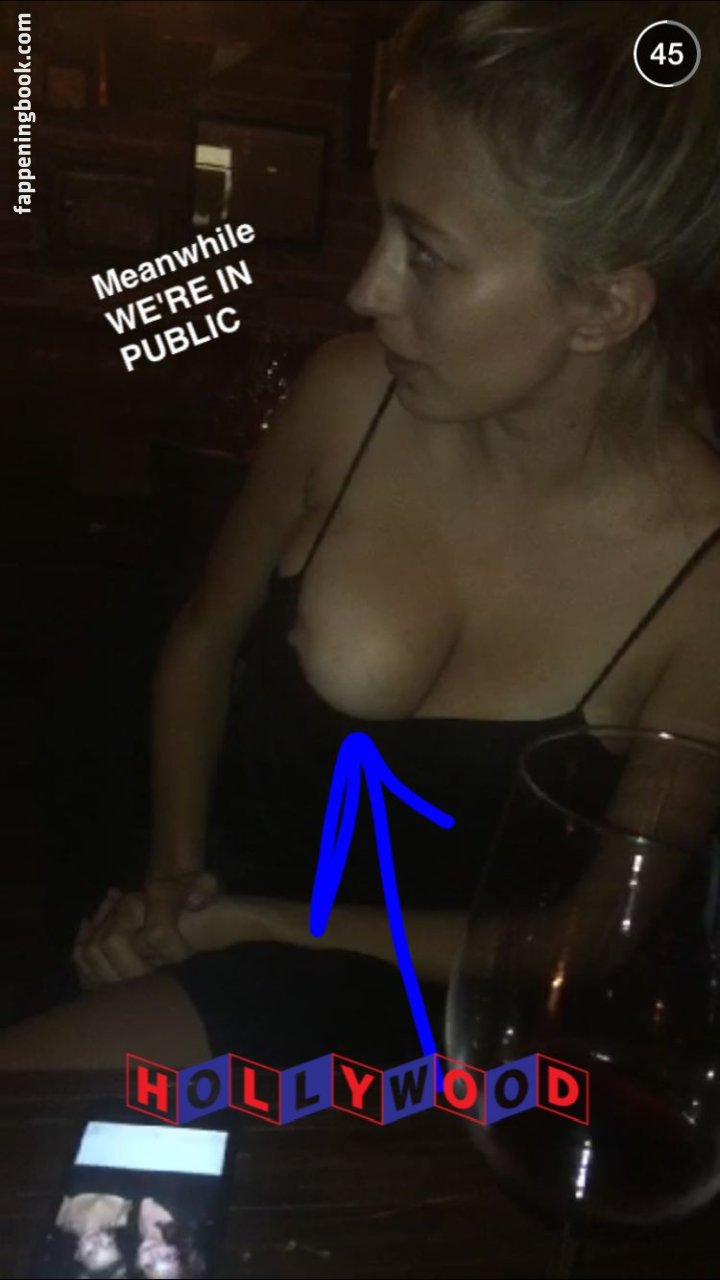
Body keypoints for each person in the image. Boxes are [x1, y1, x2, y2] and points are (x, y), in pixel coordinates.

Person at [2, 0, 720, 1070]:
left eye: (424, 251)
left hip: (478, 1036)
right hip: (226, 967)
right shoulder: (349, 396)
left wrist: (262, 922)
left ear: (604, 308)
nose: (364, 288)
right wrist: (173, 887)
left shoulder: (705, 573)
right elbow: (203, 636)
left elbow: (591, 934)